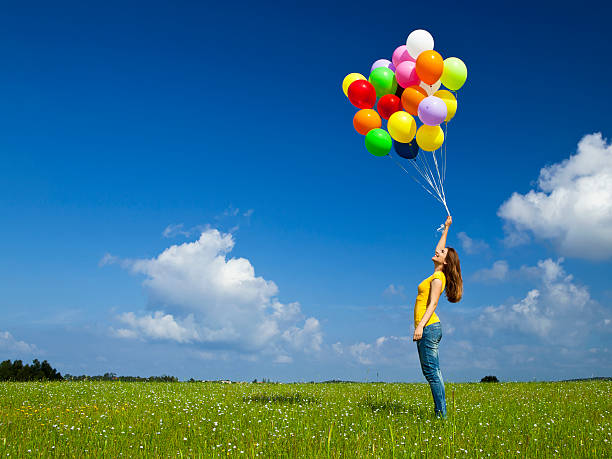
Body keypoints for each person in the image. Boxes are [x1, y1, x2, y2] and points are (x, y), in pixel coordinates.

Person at [412, 215, 463, 418]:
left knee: (432, 373)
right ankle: (441, 413)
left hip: (429, 327)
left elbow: (433, 304)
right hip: (429, 327)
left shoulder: (438, 278)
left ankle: (441, 415)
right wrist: (446, 229)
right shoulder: (437, 273)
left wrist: (420, 327)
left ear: (445, 261)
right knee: (432, 372)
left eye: (442, 253)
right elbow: (440, 248)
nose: (437, 251)